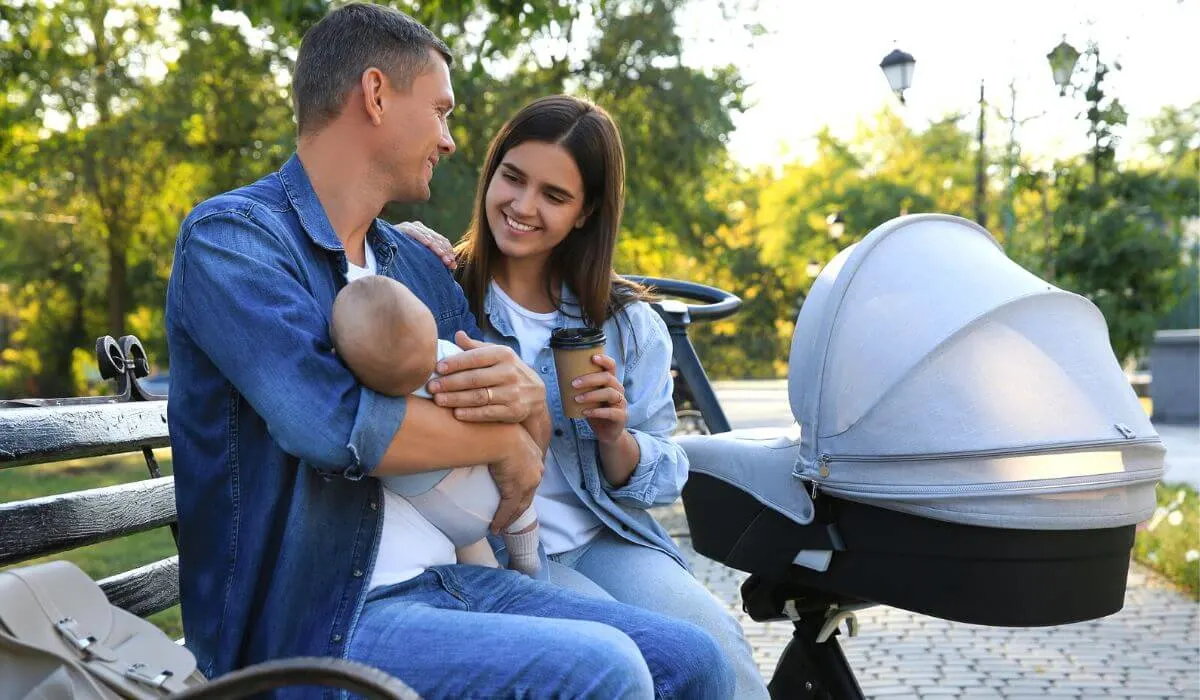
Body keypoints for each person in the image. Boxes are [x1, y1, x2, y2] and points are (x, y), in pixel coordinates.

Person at [164, 3, 734, 698]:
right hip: (320, 623)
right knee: (604, 670)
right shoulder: (237, 240)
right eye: (440, 111)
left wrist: (522, 413)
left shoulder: (411, 264)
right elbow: (329, 425)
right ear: (376, 95)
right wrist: (501, 445)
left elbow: (508, 415)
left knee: (692, 659)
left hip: (458, 580)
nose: (451, 139)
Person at [404, 94, 770, 699]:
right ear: (490, 173)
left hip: (606, 539)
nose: (522, 207)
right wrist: (398, 245)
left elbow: (667, 473)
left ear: (585, 212)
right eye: (512, 178)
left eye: (554, 196)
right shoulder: (439, 293)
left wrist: (614, 436)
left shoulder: (627, 324)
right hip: (496, 555)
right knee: (633, 659)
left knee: (718, 646)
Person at [329, 275, 541, 576]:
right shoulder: (449, 362)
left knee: (478, 561)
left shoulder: (360, 384)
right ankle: (528, 564)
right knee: (521, 515)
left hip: (427, 506)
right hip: (481, 488)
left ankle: (496, 575)